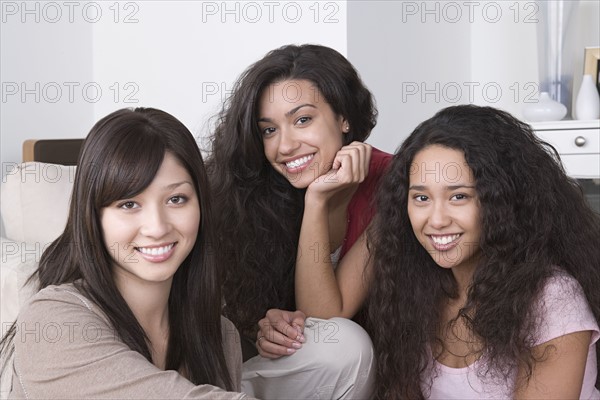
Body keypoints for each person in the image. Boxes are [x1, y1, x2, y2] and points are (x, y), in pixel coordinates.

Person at [0, 108, 253, 399]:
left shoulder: (220, 336)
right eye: (129, 204)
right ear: (93, 216)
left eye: (176, 199)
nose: (157, 227)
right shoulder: (54, 323)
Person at [367, 104, 600, 399]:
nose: (436, 220)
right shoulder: (413, 288)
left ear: (502, 203)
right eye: (422, 197)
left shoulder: (552, 297)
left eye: (459, 196)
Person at [207, 44, 391, 398]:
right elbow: (294, 326)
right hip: (306, 374)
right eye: (269, 130)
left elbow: (325, 315)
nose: (285, 146)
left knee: (344, 344)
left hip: (367, 370)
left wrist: (317, 201)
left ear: (344, 118)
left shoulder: (395, 185)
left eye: (302, 120)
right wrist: (268, 329)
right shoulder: (251, 192)